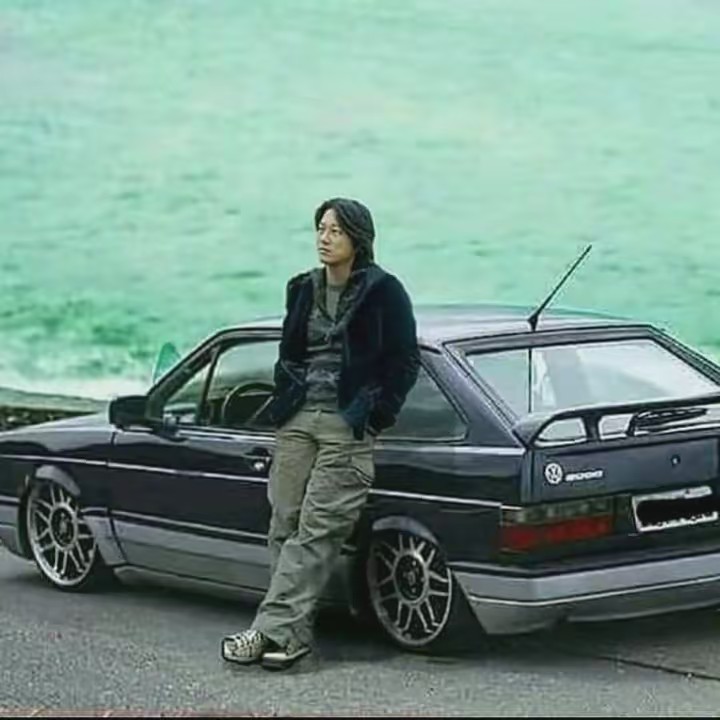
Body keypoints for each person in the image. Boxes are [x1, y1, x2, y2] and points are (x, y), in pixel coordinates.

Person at [221, 197, 420, 670]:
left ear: (358, 238)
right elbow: (290, 355)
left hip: (344, 424)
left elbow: (404, 361)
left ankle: (267, 631)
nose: (324, 238)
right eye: (321, 228)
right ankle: (290, 636)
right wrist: (285, 397)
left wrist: (375, 415)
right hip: (296, 420)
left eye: (335, 230)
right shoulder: (301, 288)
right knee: (284, 525)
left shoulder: (385, 291)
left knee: (316, 531)